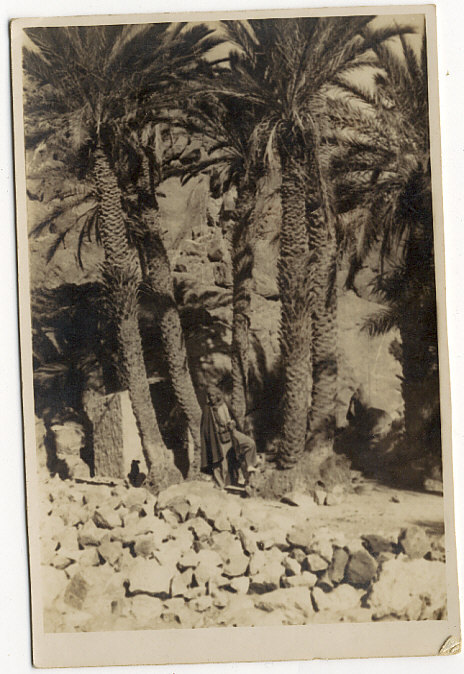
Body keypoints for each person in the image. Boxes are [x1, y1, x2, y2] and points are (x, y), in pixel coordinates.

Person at [200, 385, 234, 488]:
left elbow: (229, 419)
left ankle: (227, 482)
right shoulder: (207, 408)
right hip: (214, 439)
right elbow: (204, 425)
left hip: (225, 437)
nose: (211, 398)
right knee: (216, 461)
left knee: (225, 461)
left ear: (218, 396)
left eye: (213, 395)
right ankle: (220, 484)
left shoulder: (223, 406)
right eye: (209, 396)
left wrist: (229, 424)